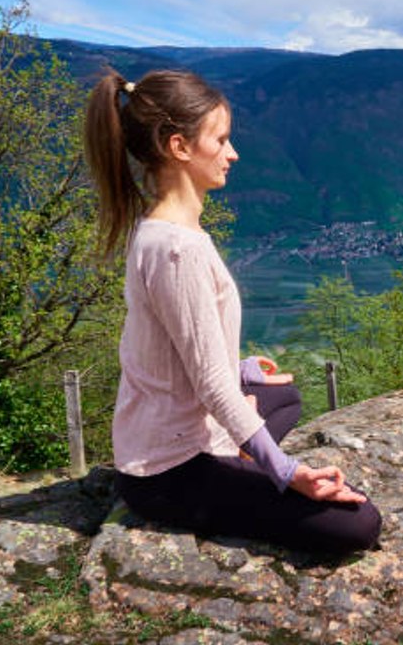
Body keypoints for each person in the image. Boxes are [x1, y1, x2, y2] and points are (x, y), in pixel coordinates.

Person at [85, 68, 381, 555]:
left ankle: (238, 453)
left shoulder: (159, 230)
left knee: (284, 396)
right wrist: (288, 473)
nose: (233, 153)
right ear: (179, 147)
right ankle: (234, 462)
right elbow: (211, 387)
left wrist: (240, 370)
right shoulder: (179, 251)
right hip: (169, 471)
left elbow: (178, 351)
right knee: (359, 523)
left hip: (163, 436)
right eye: (221, 140)